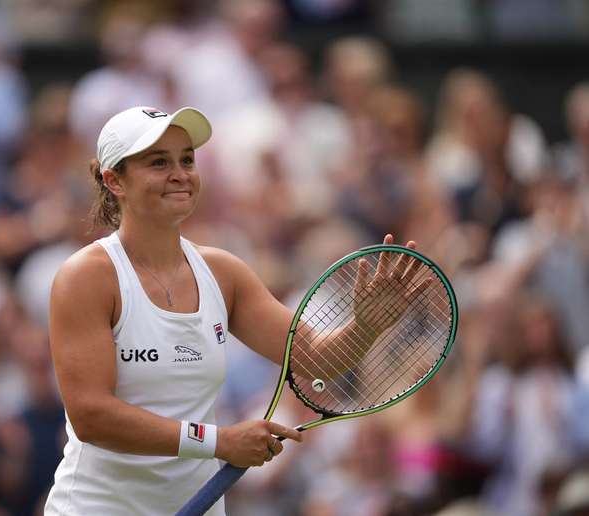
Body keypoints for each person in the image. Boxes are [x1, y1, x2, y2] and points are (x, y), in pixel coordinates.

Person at [44, 105, 423, 515]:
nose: (180, 173)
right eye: (159, 162)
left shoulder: (224, 273)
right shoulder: (86, 277)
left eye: (187, 159)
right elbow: (91, 417)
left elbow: (318, 359)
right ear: (114, 179)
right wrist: (219, 442)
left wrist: (367, 327)